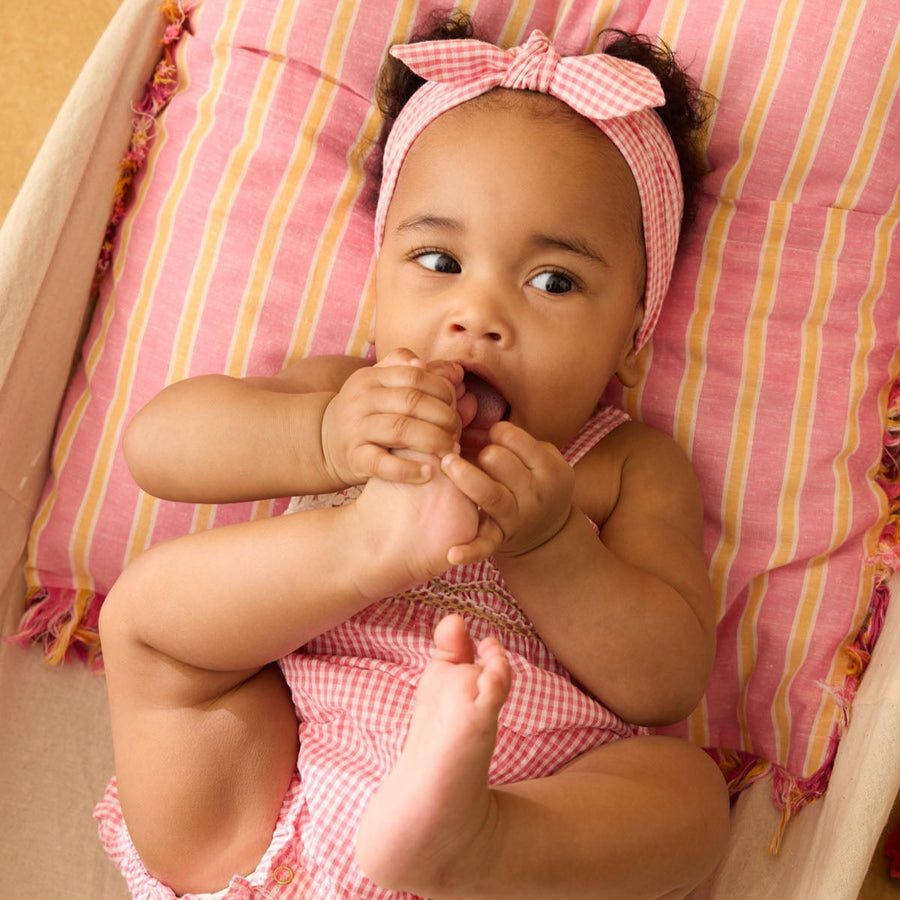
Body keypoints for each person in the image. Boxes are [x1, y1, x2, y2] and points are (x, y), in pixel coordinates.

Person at [96, 14, 730, 900]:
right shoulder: (347, 395)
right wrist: (319, 438)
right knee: (148, 622)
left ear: (633, 335)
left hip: (522, 811)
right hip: (269, 807)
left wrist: (551, 547)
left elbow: (665, 681)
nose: (478, 316)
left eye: (553, 281)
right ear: (378, 282)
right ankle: (367, 544)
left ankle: (474, 843)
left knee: (688, 796)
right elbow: (157, 446)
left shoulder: (623, 466)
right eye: (438, 260)